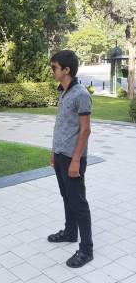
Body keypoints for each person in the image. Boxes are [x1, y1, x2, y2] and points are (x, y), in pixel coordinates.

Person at [48, 50, 93, 268]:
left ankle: (86, 249)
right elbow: (62, 125)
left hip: (73, 158)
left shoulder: (81, 94)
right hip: (61, 155)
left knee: (78, 202)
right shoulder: (63, 92)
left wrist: (76, 160)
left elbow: (85, 131)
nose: (51, 71)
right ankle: (69, 232)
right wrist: (54, 152)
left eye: (54, 67)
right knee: (66, 197)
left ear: (66, 70)